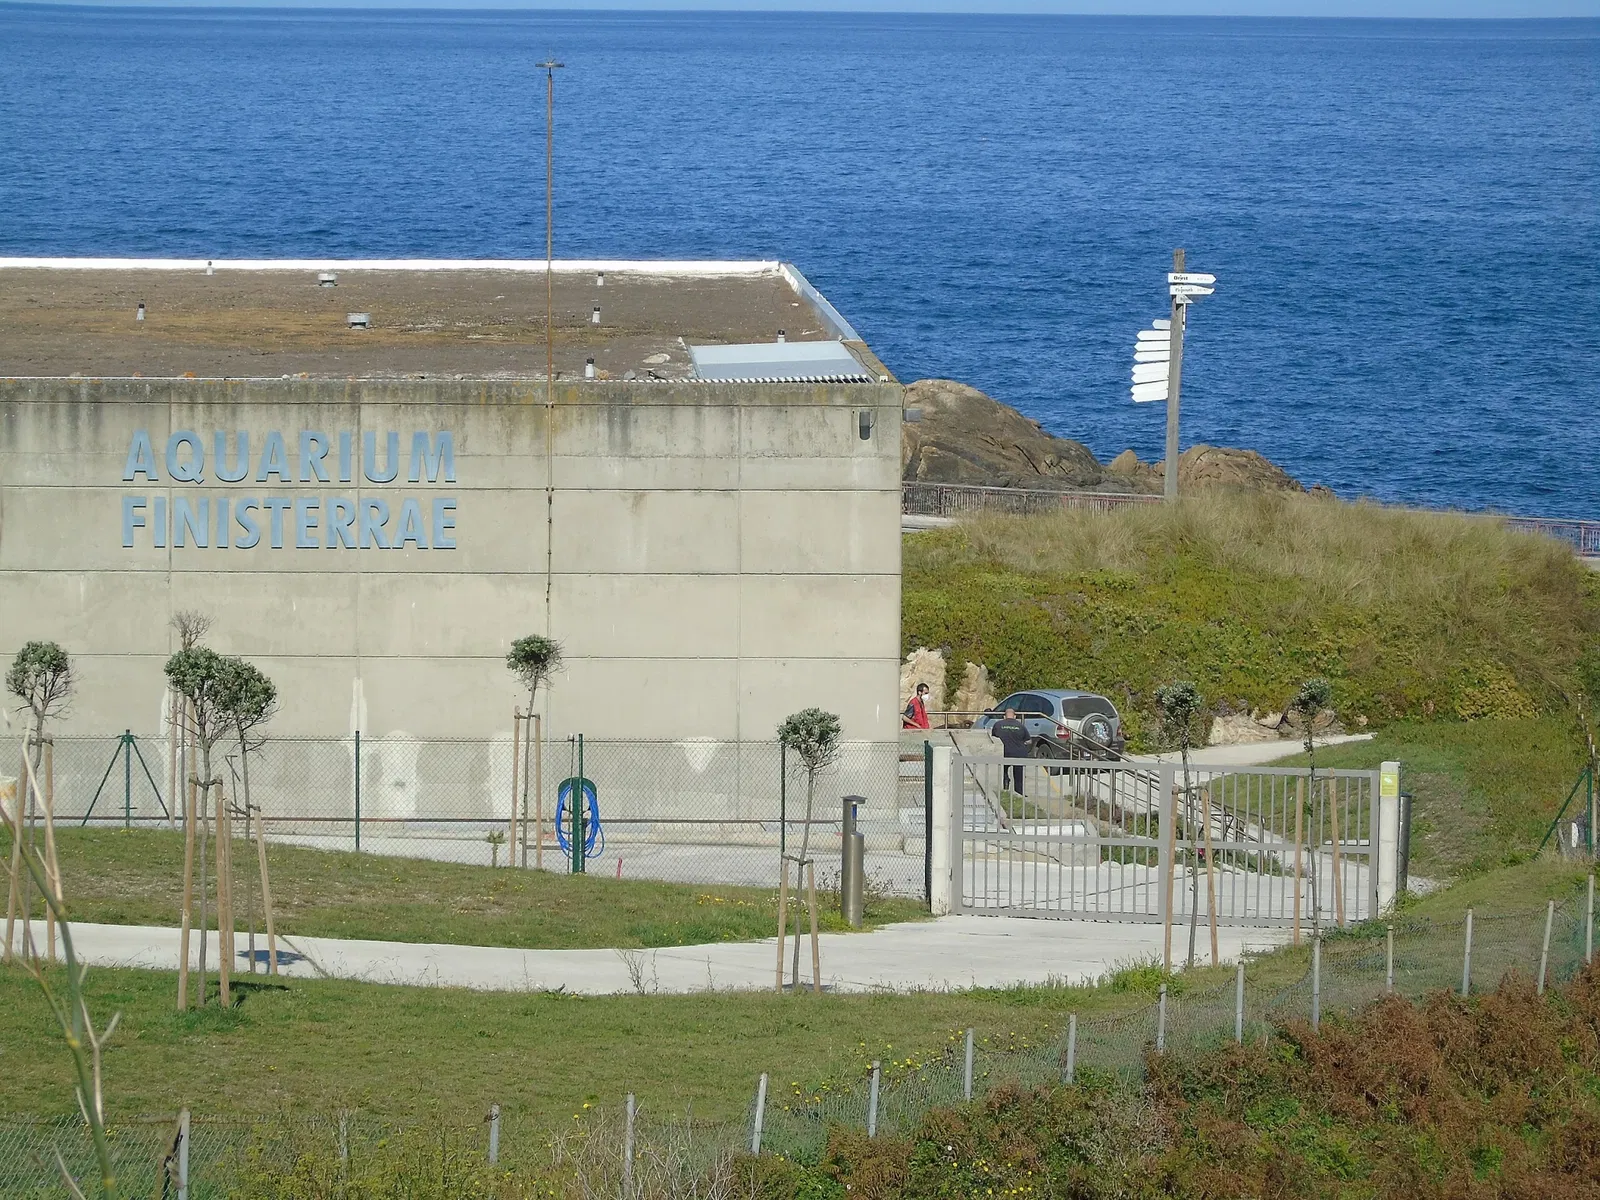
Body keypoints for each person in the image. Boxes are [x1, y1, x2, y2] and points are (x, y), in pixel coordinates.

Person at [989, 707, 1032, 795]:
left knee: (1003, 770)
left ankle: (1005, 786)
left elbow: (993, 737)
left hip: (1004, 752)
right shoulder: (1020, 726)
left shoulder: (998, 724)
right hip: (1019, 752)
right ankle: (1019, 792)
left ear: (1004, 716)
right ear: (1015, 716)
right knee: (1018, 774)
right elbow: (1028, 740)